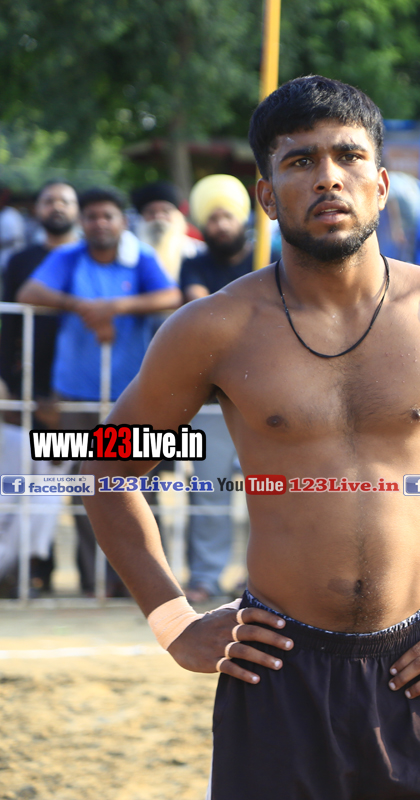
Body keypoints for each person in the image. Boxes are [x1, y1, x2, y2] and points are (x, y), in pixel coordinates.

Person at [79, 75, 420, 799]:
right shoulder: (214, 329)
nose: (328, 178)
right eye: (300, 160)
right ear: (266, 195)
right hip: (275, 667)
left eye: (348, 156)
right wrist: (173, 621)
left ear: (381, 183)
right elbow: (105, 468)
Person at [17, 186, 180, 598]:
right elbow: (28, 294)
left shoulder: (140, 256)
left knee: (139, 487)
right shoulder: (68, 256)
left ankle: (146, 583)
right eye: (91, 217)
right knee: (83, 489)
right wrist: (83, 306)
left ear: (122, 221)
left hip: (133, 396)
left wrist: (114, 307)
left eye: (107, 216)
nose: (99, 223)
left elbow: (171, 296)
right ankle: (95, 582)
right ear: (82, 222)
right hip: (74, 394)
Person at [177, 174, 256, 603]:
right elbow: (201, 309)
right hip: (213, 397)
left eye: (227, 216)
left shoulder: (270, 257)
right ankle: (206, 577)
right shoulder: (194, 264)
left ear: (242, 218)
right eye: (212, 218)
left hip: (266, 394)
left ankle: (267, 581)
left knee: (272, 493)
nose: (220, 224)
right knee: (209, 491)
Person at [0, 181, 79, 596]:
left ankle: (46, 569)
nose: (57, 207)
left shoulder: (87, 257)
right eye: (49, 200)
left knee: (65, 483)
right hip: (26, 382)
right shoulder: (20, 260)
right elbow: (10, 322)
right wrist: (8, 384)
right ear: (38, 210)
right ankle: (21, 569)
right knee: (22, 478)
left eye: (65, 200)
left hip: (75, 384)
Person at [132, 181, 204, 283]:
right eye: (151, 212)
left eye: (166, 211)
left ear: (178, 215)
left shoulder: (198, 251)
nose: (158, 217)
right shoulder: (129, 253)